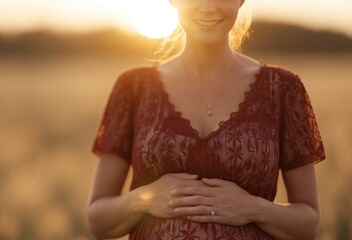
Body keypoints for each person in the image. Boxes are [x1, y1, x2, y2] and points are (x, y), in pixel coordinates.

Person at [87, 0, 326, 239]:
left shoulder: (282, 88)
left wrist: (254, 208)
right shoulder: (133, 88)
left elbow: (307, 225)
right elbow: (98, 221)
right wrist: (142, 199)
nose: (208, 7)